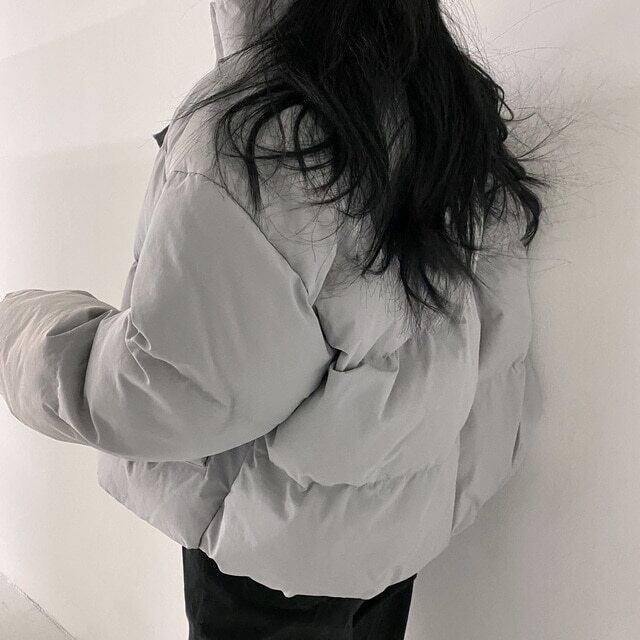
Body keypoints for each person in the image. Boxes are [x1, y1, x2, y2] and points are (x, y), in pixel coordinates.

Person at [0, 1, 547, 638]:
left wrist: (19, 331)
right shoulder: (446, 102)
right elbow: (492, 339)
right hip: (401, 526)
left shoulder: (256, 137)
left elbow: (173, 390)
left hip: (276, 549)